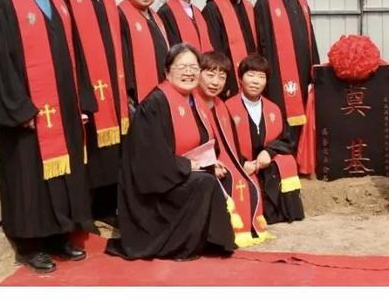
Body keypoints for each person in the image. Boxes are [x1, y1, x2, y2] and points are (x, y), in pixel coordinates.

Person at [0, 0, 96, 273]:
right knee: (30, 180)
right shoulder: (6, 5)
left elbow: (76, 54)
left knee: (63, 176)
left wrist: (80, 100)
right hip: (29, 115)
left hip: (62, 109)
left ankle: (60, 234)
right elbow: (1, 66)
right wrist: (20, 110)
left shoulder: (58, 0)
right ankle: (31, 245)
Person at [106, 44, 236, 260]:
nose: (189, 73)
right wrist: (188, 166)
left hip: (177, 172)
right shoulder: (154, 104)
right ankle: (181, 245)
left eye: (194, 68)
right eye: (182, 67)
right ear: (167, 71)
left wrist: (208, 163)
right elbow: (151, 158)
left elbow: (202, 142)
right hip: (155, 187)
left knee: (215, 177)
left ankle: (207, 240)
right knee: (204, 182)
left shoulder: (194, 101)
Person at [50, 0, 129, 223]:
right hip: (81, 83)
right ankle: (87, 214)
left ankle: (109, 209)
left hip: (111, 83)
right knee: (89, 151)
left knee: (113, 152)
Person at [198, 51, 271, 247]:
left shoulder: (220, 106)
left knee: (246, 178)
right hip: (199, 165)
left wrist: (241, 163)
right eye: (210, 75)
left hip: (223, 162)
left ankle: (246, 229)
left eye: (222, 77)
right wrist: (208, 164)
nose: (216, 82)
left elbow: (231, 145)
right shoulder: (191, 104)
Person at [225, 53, 304, 224]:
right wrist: (242, 163)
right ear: (240, 78)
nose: (255, 81)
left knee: (286, 161)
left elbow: (287, 140)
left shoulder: (273, 109)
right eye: (251, 75)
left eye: (261, 77)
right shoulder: (227, 108)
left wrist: (269, 152)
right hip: (241, 166)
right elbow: (224, 144)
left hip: (265, 166)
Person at [254, 0, 319, 130]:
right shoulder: (265, 2)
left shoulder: (302, 2)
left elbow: (310, 37)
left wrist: (315, 68)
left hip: (302, 70)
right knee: (281, 115)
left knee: (303, 112)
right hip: (277, 72)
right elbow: (260, 41)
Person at [203, 0, 257, 99]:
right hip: (228, 78)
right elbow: (214, 48)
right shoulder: (213, 8)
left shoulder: (248, 7)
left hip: (250, 76)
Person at [118, 0, 169, 107]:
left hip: (162, 88)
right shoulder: (120, 15)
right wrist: (128, 92)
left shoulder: (155, 16)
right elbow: (121, 57)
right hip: (135, 94)